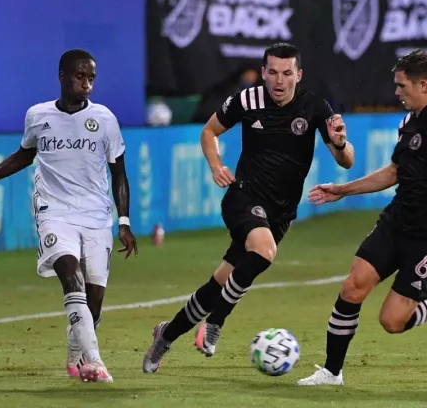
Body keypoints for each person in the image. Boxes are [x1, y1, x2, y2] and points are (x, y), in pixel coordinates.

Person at [142, 42, 356, 373]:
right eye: (272, 72)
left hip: (281, 214)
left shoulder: (314, 106)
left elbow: (346, 161)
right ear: (263, 72)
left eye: (287, 73)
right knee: (263, 252)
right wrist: (215, 165)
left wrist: (341, 143)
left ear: (298, 74)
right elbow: (209, 131)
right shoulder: (247, 99)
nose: (279, 81)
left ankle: (165, 336)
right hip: (243, 197)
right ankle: (215, 324)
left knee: (221, 281)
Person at [295, 49, 427, 386]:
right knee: (352, 286)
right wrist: (342, 190)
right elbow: (393, 172)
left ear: (423, 85)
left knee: (392, 321)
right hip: (397, 221)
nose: (396, 91)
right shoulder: (409, 122)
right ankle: (332, 372)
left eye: (402, 85)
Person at [0, 49, 138, 383]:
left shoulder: (105, 120)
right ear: (62, 75)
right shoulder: (38, 115)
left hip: (96, 216)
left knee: (94, 301)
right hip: (54, 212)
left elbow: (119, 173)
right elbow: (24, 156)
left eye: (91, 78)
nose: (86, 84)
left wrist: (124, 221)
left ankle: (75, 353)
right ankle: (95, 361)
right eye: (80, 76)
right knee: (70, 277)